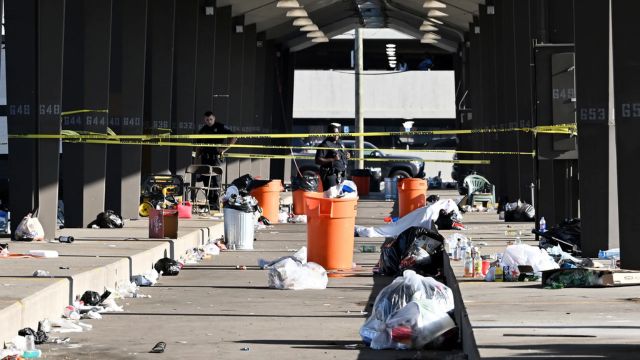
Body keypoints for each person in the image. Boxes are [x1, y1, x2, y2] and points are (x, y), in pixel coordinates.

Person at [195, 111, 237, 209]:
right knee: (206, 181)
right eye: (207, 120)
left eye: (211, 119)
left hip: (216, 158)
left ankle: (216, 205)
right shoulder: (203, 130)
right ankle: (210, 204)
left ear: (214, 118)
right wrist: (196, 160)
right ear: (204, 120)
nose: (209, 121)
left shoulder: (220, 127)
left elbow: (234, 137)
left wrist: (224, 149)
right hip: (205, 158)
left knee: (215, 180)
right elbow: (198, 147)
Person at [315, 123, 350, 190]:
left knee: (342, 197)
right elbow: (317, 160)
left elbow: (344, 152)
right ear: (330, 133)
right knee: (331, 197)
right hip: (331, 175)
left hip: (342, 175)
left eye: (338, 132)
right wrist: (333, 159)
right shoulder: (325, 144)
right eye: (334, 132)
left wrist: (348, 155)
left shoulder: (340, 142)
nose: (336, 134)